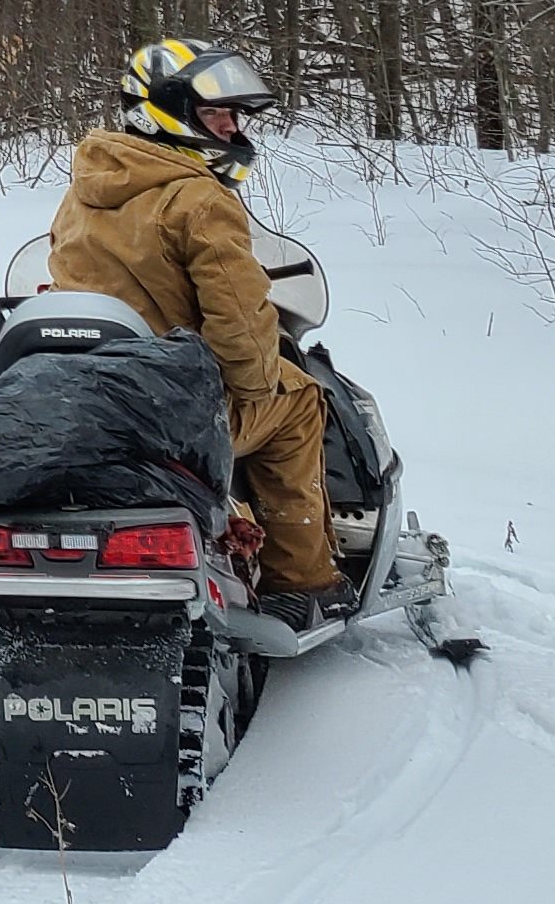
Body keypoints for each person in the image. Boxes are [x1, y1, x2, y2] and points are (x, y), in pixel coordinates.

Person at [45, 35, 347, 619]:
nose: (233, 129)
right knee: (300, 399)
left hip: (91, 403)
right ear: (168, 113)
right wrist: (259, 388)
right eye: (216, 114)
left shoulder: (84, 191)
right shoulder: (199, 198)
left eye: (234, 115)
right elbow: (239, 321)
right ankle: (303, 579)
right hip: (173, 414)